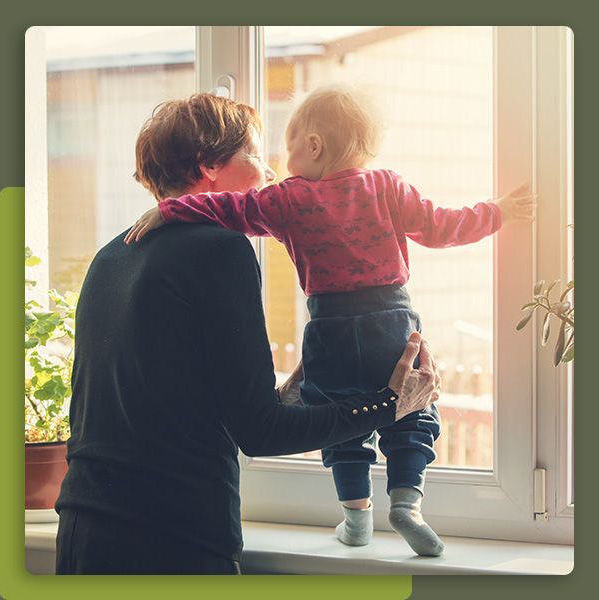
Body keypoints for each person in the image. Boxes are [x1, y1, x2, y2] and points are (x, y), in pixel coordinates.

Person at [125, 84, 536, 557]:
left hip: (331, 327)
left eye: (285, 147)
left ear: (314, 146)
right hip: (393, 319)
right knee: (415, 407)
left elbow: (230, 208)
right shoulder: (386, 186)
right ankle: (407, 501)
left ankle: (356, 516)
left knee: (337, 414)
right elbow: (442, 225)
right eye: (262, 154)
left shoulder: (285, 200)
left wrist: (168, 208)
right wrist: (498, 212)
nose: (274, 167)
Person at [54, 92, 441, 575]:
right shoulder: (219, 248)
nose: (271, 172)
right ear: (210, 166)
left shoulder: (111, 257)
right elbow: (259, 433)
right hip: (172, 545)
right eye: (255, 155)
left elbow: (178, 411)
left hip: (81, 538)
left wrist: (298, 388)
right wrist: (389, 405)